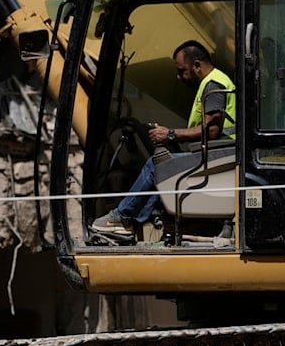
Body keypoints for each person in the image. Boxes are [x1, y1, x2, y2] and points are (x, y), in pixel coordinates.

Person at [92, 40, 235, 236]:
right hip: (218, 154)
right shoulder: (215, 82)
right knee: (164, 158)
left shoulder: (213, 86)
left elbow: (211, 131)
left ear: (197, 65)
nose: (179, 77)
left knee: (157, 165)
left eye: (182, 70)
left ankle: (123, 218)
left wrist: (169, 133)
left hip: (219, 157)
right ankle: (139, 220)